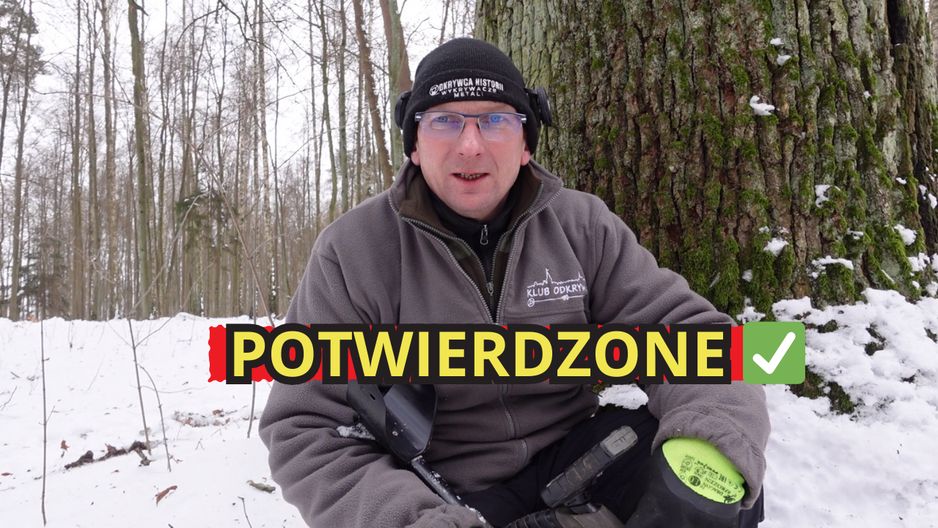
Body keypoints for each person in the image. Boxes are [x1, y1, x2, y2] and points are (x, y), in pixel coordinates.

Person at [260, 38, 769, 528]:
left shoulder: (582, 226)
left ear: (526, 143)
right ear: (414, 144)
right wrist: (413, 520)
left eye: (496, 120)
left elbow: (697, 340)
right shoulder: (353, 251)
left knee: (717, 487)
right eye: (444, 121)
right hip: (441, 490)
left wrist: (713, 445)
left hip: (577, 459)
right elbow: (306, 427)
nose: (470, 146)